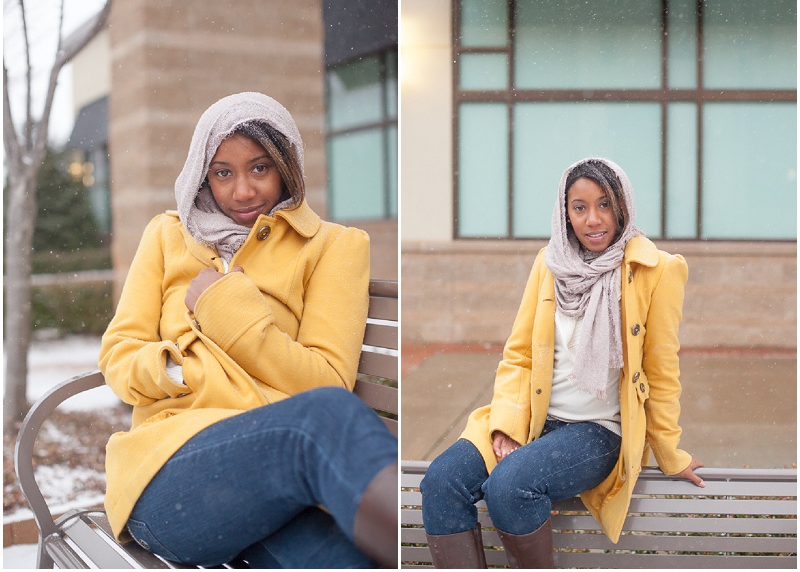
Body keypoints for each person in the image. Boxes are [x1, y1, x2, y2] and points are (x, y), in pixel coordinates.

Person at [99, 92, 398, 569]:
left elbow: (326, 379)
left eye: (260, 168)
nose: (242, 192)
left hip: (275, 485)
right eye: (223, 172)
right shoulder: (166, 235)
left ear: (287, 167)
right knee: (324, 418)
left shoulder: (332, 247)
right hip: (170, 475)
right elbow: (119, 352)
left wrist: (228, 310)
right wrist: (177, 370)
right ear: (202, 172)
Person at [420, 157, 704, 568]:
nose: (593, 219)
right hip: (535, 419)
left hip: (597, 430)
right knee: (442, 482)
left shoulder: (655, 270)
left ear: (622, 206)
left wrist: (669, 451)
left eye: (605, 204)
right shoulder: (550, 263)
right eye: (580, 206)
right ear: (564, 211)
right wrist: (507, 423)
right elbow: (519, 355)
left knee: (510, 487)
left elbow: (660, 372)